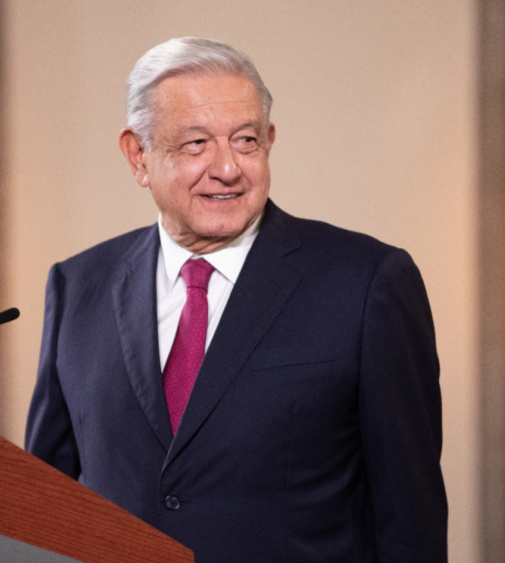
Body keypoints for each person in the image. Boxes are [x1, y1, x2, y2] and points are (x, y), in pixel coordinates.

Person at [25, 37, 447, 563]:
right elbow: (40, 500)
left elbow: (410, 519)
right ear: (139, 156)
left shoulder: (366, 283)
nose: (227, 168)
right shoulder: (78, 286)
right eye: (196, 144)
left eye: (245, 140)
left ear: (269, 141)